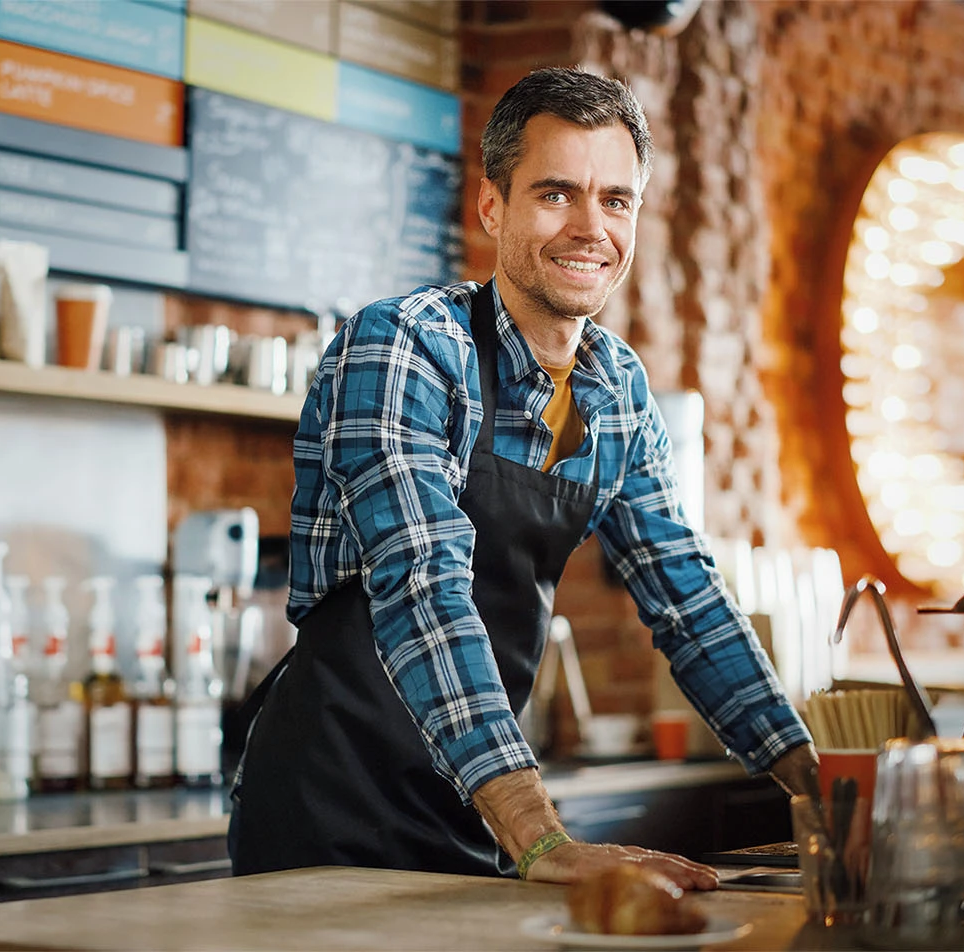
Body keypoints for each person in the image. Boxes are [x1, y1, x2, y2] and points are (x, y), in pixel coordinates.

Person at [229, 67, 818, 889]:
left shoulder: (616, 391)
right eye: (556, 194)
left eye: (616, 200)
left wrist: (826, 796)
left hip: (476, 804)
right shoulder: (404, 345)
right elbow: (423, 586)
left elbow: (688, 599)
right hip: (332, 805)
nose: (590, 227)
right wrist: (540, 837)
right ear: (491, 206)